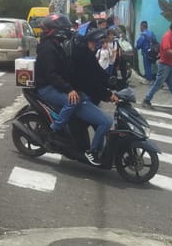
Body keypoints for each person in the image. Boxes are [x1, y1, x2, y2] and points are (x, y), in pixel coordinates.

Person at [70, 28, 119, 164]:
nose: (96, 45)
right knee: (106, 122)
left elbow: (98, 72)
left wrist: (113, 82)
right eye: (93, 42)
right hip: (82, 97)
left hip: (88, 96)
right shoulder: (82, 57)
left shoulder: (88, 55)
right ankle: (91, 152)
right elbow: (91, 83)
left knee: (100, 124)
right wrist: (108, 95)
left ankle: (98, 151)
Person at [34, 13, 80, 132]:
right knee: (72, 101)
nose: (67, 31)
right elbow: (51, 75)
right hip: (46, 87)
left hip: (52, 84)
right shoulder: (48, 48)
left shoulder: (56, 45)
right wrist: (69, 89)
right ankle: (55, 129)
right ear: (55, 31)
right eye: (65, 29)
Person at [143, 19, 172, 113]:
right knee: (158, 84)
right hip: (165, 66)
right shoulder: (167, 36)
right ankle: (147, 99)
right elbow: (167, 50)